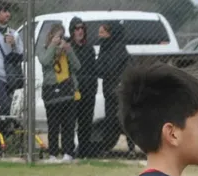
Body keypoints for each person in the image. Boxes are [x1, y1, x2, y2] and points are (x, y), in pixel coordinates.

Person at [38, 23, 81, 162]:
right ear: (51, 36)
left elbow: (77, 66)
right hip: (52, 91)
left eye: (62, 36)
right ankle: (53, 154)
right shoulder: (44, 49)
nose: (60, 39)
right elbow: (45, 62)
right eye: (58, 36)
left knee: (68, 124)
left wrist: (69, 50)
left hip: (67, 90)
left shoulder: (66, 51)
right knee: (53, 124)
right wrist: (52, 45)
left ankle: (68, 152)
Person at [97, 22, 130, 151]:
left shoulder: (119, 48)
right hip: (108, 90)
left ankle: (131, 148)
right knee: (109, 119)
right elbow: (99, 68)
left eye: (102, 33)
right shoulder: (104, 47)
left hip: (118, 90)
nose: (100, 36)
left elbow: (111, 68)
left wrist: (104, 68)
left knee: (123, 118)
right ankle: (106, 147)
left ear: (111, 34)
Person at [69, 17, 97, 158]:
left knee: (86, 122)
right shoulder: (68, 47)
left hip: (88, 91)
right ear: (72, 30)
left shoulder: (89, 48)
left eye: (82, 28)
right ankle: (69, 150)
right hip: (72, 90)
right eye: (77, 28)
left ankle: (84, 151)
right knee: (70, 122)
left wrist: (92, 89)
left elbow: (93, 70)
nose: (80, 31)